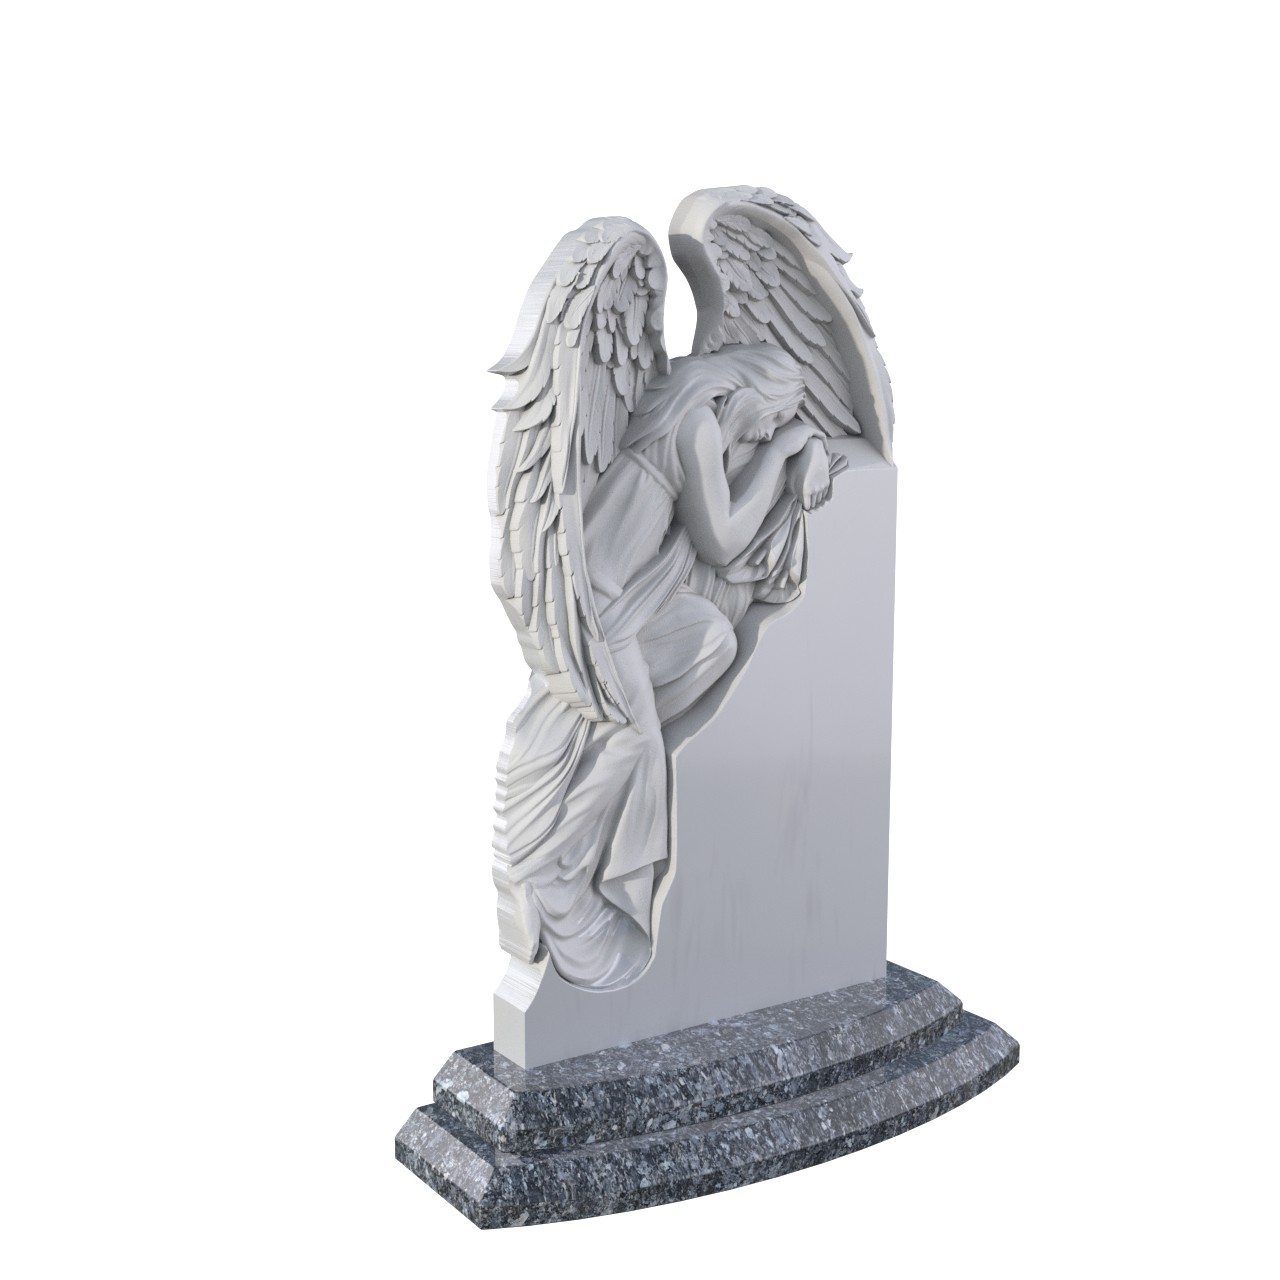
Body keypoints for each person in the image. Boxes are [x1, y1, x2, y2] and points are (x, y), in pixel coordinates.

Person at [493, 345, 834, 988]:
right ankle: (550, 872)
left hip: (630, 596)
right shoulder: (697, 424)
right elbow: (721, 541)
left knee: (713, 642)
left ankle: (593, 787)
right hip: (602, 607)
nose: (768, 432)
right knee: (637, 741)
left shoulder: (685, 404)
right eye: (774, 418)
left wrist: (809, 442)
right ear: (756, 393)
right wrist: (784, 454)